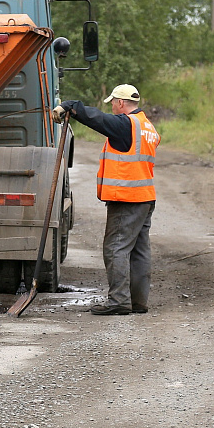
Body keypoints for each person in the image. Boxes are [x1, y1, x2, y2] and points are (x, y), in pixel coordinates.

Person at [53, 84, 160, 315]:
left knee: (116, 248)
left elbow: (99, 119)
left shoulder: (126, 125)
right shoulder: (147, 126)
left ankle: (119, 301)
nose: (111, 107)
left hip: (127, 198)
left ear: (121, 103)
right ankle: (138, 302)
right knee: (139, 251)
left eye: (113, 102)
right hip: (145, 197)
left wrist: (71, 106)